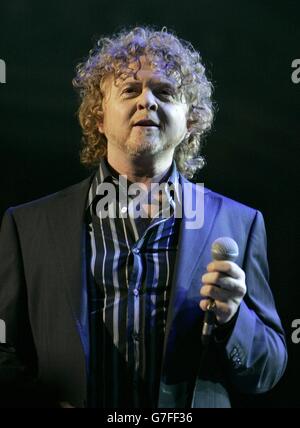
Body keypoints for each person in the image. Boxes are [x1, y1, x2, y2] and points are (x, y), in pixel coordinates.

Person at [0, 26, 287, 408]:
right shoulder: (28, 225)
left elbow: (268, 369)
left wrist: (234, 320)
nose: (147, 102)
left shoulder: (241, 223)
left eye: (165, 92)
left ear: (191, 122)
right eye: (130, 90)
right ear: (98, 117)